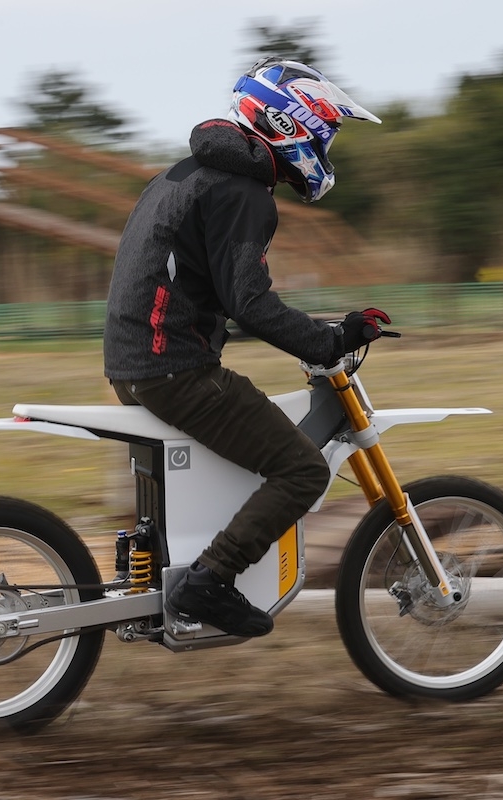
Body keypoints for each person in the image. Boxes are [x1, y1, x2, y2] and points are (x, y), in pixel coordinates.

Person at [103, 56, 389, 638]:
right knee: (302, 472)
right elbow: (250, 303)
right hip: (172, 368)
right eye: (325, 132)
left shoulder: (184, 173)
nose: (326, 149)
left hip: (134, 363)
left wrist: (313, 332)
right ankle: (209, 582)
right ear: (293, 125)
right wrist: (331, 339)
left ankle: (187, 571)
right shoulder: (243, 192)